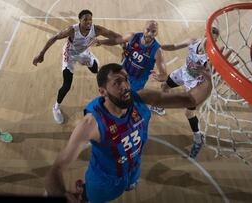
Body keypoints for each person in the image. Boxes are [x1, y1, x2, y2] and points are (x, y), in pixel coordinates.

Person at [45, 63, 212, 203]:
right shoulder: (91, 124)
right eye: (117, 82)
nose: (125, 86)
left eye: (126, 80)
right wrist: (60, 194)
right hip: (103, 182)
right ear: (102, 91)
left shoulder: (141, 98)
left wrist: (208, 79)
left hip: (133, 169)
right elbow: (56, 169)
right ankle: (85, 193)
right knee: (89, 198)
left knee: (129, 183)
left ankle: (127, 183)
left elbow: (190, 100)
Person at [32, 9, 123, 124]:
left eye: (90, 19)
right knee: (67, 84)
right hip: (70, 54)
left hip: (83, 52)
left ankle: (86, 61)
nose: (88, 22)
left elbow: (115, 36)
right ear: (80, 20)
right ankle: (56, 107)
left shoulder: (96, 29)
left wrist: (124, 44)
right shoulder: (72, 30)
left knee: (95, 70)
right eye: (85, 19)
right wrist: (41, 54)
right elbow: (54, 38)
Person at [159, 27, 237, 159]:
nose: (212, 42)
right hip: (183, 73)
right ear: (204, 35)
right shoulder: (192, 42)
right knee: (165, 85)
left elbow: (211, 76)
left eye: (215, 40)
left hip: (195, 85)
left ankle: (198, 139)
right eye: (210, 38)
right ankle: (160, 107)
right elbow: (173, 46)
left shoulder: (212, 57)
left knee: (189, 113)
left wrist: (205, 70)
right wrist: (159, 47)